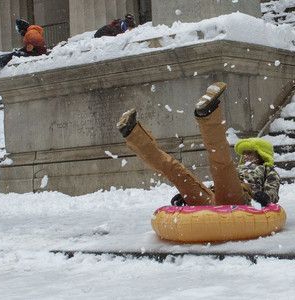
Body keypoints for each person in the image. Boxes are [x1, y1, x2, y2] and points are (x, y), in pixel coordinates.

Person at [117, 82, 280, 207]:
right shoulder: (237, 169)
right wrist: (188, 194)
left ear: (262, 155)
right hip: (213, 198)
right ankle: (132, 133)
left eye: (250, 153)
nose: (246, 156)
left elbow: (272, 191)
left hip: (239, 201)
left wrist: (265, 198)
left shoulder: (267, 170)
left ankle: (208, 114)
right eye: (245, 153)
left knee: (221, 163)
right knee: (174, 170)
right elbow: (216, 186)